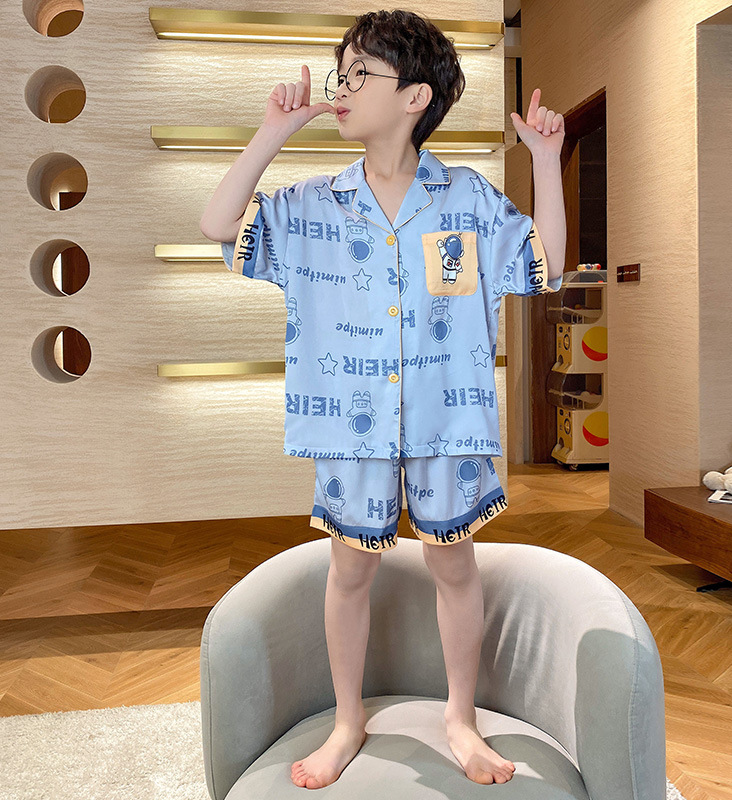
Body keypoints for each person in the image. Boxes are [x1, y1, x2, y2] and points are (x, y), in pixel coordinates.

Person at [200, 9, 566, 790]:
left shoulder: (467, 199)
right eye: (342, 71)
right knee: (349, 572)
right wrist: (272, 131)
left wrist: (546, 160)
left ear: (414, 97)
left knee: (455, 567)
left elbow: (549, 266)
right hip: (351, 426)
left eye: (359, 73)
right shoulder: (312, 205)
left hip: (448, 421)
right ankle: (347, 721)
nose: (341, 87)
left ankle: (460, 718)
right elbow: (216, 222)